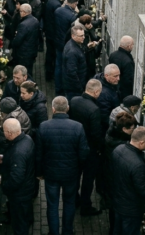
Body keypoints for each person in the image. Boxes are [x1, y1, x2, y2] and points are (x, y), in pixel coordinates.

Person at [36, 96, 89, 235]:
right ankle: (67, 231)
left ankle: (53, 232)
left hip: (51, 174)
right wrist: (78, 169)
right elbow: (83, 152)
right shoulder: (78, 127)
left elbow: (39, 153)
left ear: (52, 109)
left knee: (52, 205)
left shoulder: (44, 126)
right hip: (71, 174)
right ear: (67, 109)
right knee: (69, 203)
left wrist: (40, 171)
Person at [69, 79, 105, 216]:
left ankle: (74, 199)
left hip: (74, 147)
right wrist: (99, 149)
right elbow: (96, 134)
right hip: (89, 151)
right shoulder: (94, 110)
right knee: (88, 180)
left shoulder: (74, 100)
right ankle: (86, 205)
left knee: (76, 176)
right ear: (96, 92)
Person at [0, 118, 35, 235]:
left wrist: (1, 182)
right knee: (25, 216)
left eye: (4, 132)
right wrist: (4, 159)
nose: (3, 134)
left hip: (19, 195)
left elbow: (16, 179)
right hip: (27, 188)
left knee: (20, 225)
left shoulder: (18, 151)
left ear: (10, 133)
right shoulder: (27, 139)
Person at [100, 111, 137, 234]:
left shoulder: (113, 131)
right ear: (125, 129)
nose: (134, 130)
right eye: (132, 128)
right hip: (113, 180)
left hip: (109, 176)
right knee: (115, 210)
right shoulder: (121, 144)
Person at [54, 0, 79, 95]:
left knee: (58, 65)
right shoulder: (72, 15)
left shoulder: (58, 10)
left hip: (58, 41)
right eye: (76, 5)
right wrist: (76, 12)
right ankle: (62, 88)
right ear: (73, 4)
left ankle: (57, 87)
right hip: (66, 43)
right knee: (64, 67)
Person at [11, 4, 40, 77]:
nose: (19, 13)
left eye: (20, 11)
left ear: (24, 12)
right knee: (29, 71)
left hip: (23, 54)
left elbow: (17, 41)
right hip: (32, 51)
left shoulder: (23, 25)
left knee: (24, 73)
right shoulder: (35, 20)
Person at [43, 0, 63, 81]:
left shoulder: (51, 1)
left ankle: (48, 73)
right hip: (53, 34)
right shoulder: (56, 5)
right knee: (52, 54)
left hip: (49, 32)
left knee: (49, 53)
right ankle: (50, 74)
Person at [63, 25, 87, 101]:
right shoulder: (72, 52)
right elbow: (72, 73)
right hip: (74, 89)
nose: (84, 37)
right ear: (73, 36)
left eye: (84, 35)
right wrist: (80, 88)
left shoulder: (73, 45)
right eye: (81, 36)